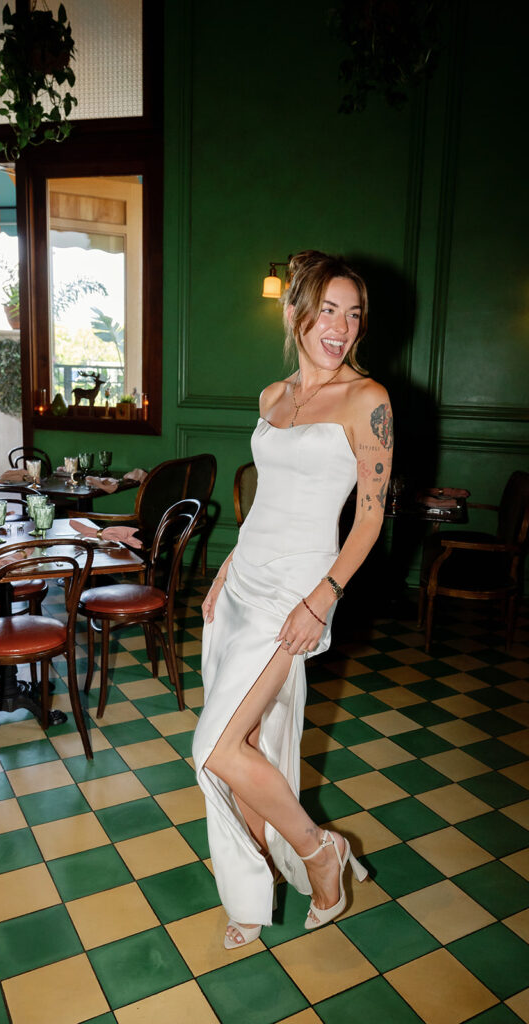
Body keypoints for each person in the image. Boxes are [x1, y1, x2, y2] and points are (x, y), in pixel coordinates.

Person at [192, 250, 393, 949]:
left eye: (353, 314)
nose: (341, 327)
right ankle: (251, 894)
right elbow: (263, 503)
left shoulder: (368, 401)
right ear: (296, 313)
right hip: (245, 580)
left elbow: (369, 518)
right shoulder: (271, 397)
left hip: (296, 594)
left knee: (213, 748)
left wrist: (323, 598)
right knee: (247, 742)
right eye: (328, 310)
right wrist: (223, 568)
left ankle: (317, 850)